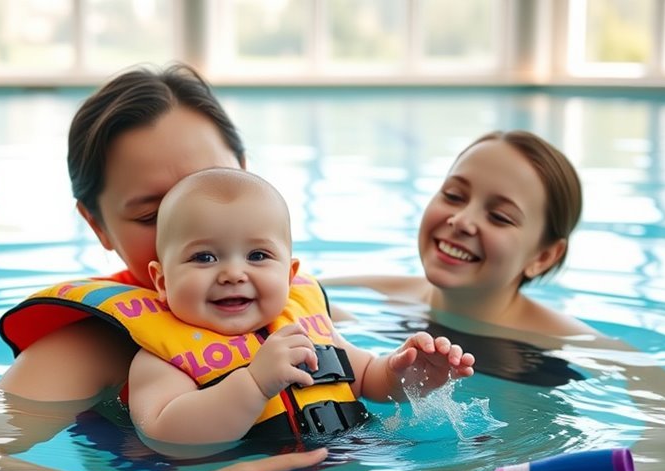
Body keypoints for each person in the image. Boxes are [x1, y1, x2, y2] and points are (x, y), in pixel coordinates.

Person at [0, 63, 388, 471]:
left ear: (246, 174)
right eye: (153, 216)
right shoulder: (96, 343)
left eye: (211, 186)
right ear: (97, 224)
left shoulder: (290, 301)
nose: (195, 224)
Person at [324, 130, 665, 471]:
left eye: (500, 217)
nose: (463, 221)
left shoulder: (567, 342)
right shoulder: (368, 295)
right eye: (453, 195)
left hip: (512, 468)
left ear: (544, 256)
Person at [120, 167, 475, 449]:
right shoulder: (160, 359)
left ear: (290, 277)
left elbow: (364, 378)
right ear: (163, 283)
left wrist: (407, 374)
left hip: (356, 453)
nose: (232, 274)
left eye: (257, 255)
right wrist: (254, 384)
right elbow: (163, 432)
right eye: (204, 257)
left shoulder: (305, 324)